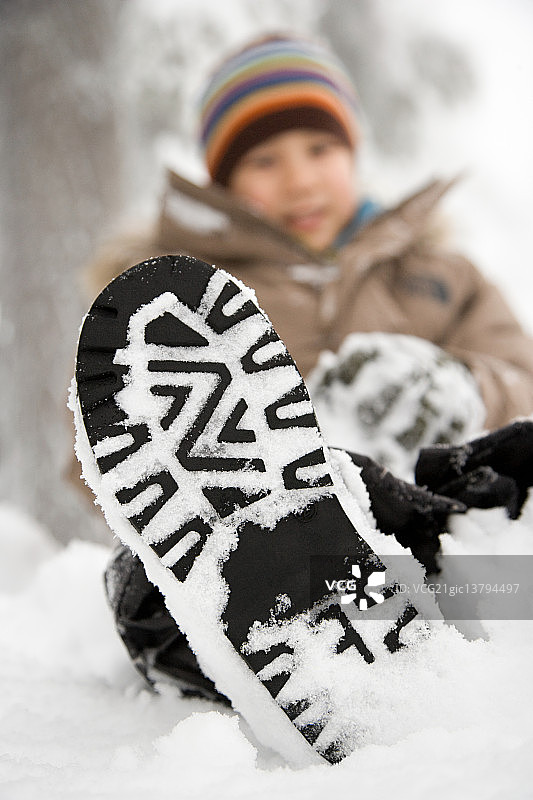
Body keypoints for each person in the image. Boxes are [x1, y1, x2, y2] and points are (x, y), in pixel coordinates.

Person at [73, 34, 533, 762]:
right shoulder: (177, 312)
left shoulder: (442, 276)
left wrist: (461, 386)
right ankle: (269, 640)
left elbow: (519, 370)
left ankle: (480, 617)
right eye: (264, 160)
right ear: (223, 179)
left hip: (432, 526)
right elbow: (107, 455)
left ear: (353, 152)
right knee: (154, 579)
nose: (299, 180)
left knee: (515, 468)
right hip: (282, 560)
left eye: (319, 150)